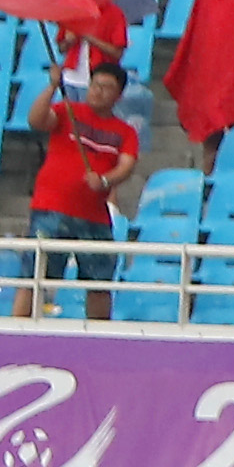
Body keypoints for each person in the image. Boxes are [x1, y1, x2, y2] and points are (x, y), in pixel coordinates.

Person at [22, 59, 138, 311]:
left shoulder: (124, 131)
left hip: (94, 215)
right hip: (51, 207)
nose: (97, 91)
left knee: (99, 280)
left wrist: (105, 180)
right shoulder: (68, 111)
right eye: (95, 85)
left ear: (118, 95)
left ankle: (99, 337)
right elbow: (36, 119)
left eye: (106, 87)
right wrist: (52, 86)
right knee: (34, 276)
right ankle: (19, 328)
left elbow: (127, 165)